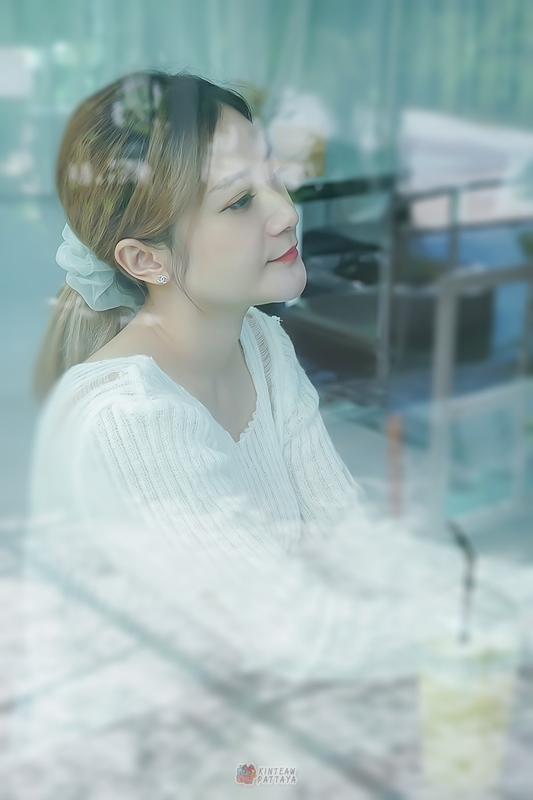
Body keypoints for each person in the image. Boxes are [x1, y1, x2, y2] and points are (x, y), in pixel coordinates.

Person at [6, 71, 463, 797]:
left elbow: (346, 535)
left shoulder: (260, 341)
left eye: (272, 176)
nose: (285, 213)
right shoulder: (129, 422)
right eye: (239, 201)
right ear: (145, 260)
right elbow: (302, 634)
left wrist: (452, 596)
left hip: (253, 720)